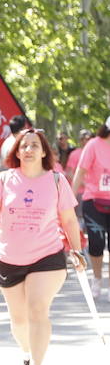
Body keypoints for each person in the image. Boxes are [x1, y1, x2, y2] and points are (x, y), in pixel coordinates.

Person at [0, 127, 80, 365]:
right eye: (23, 146)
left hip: (47, 255)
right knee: (19, 319)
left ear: (44, 151)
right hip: (9, 257)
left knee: (37, 307)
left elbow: (69, 219)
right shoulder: (4, 180)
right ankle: (27, 353)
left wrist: (76, 249)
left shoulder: (57, 181)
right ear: (16, 151)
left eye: (34, 145)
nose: (28, 150)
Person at [71, 120, 110, 298]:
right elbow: (80, 172)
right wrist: (69, 201)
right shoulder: (94, 145)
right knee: (96, 243)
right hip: (94, 201)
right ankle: (97, 278)